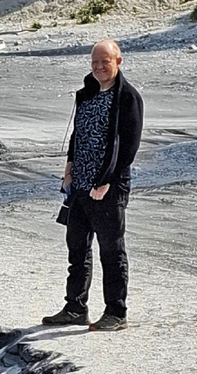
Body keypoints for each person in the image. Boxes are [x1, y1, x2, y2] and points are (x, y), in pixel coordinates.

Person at [42, 39, 144, 332]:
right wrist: (70, 167)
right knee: (77, 248)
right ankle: (75, 307)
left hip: (109, 188)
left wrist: (107, 181)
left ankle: (116, 311)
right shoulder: (86, 94)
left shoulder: (127, 98)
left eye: (105, 61)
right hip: (80, 186)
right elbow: (78, 135)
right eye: (95, 62)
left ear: (118, 62)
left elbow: (129, 147)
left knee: (111, 251)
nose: (99, 67)